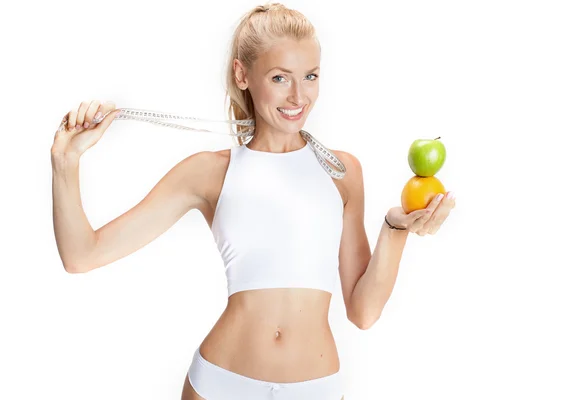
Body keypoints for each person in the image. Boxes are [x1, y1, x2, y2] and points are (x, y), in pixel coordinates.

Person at [51, 3, 456, 399]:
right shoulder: (208, 172)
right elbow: (82, 255)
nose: (299, 95)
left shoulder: (342, 172)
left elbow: (363, 312)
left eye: (310, 76)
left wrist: (396, 228)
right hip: (221, 383)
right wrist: (65, 161)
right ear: (243, 74)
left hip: (316, 388)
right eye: (280, 78)